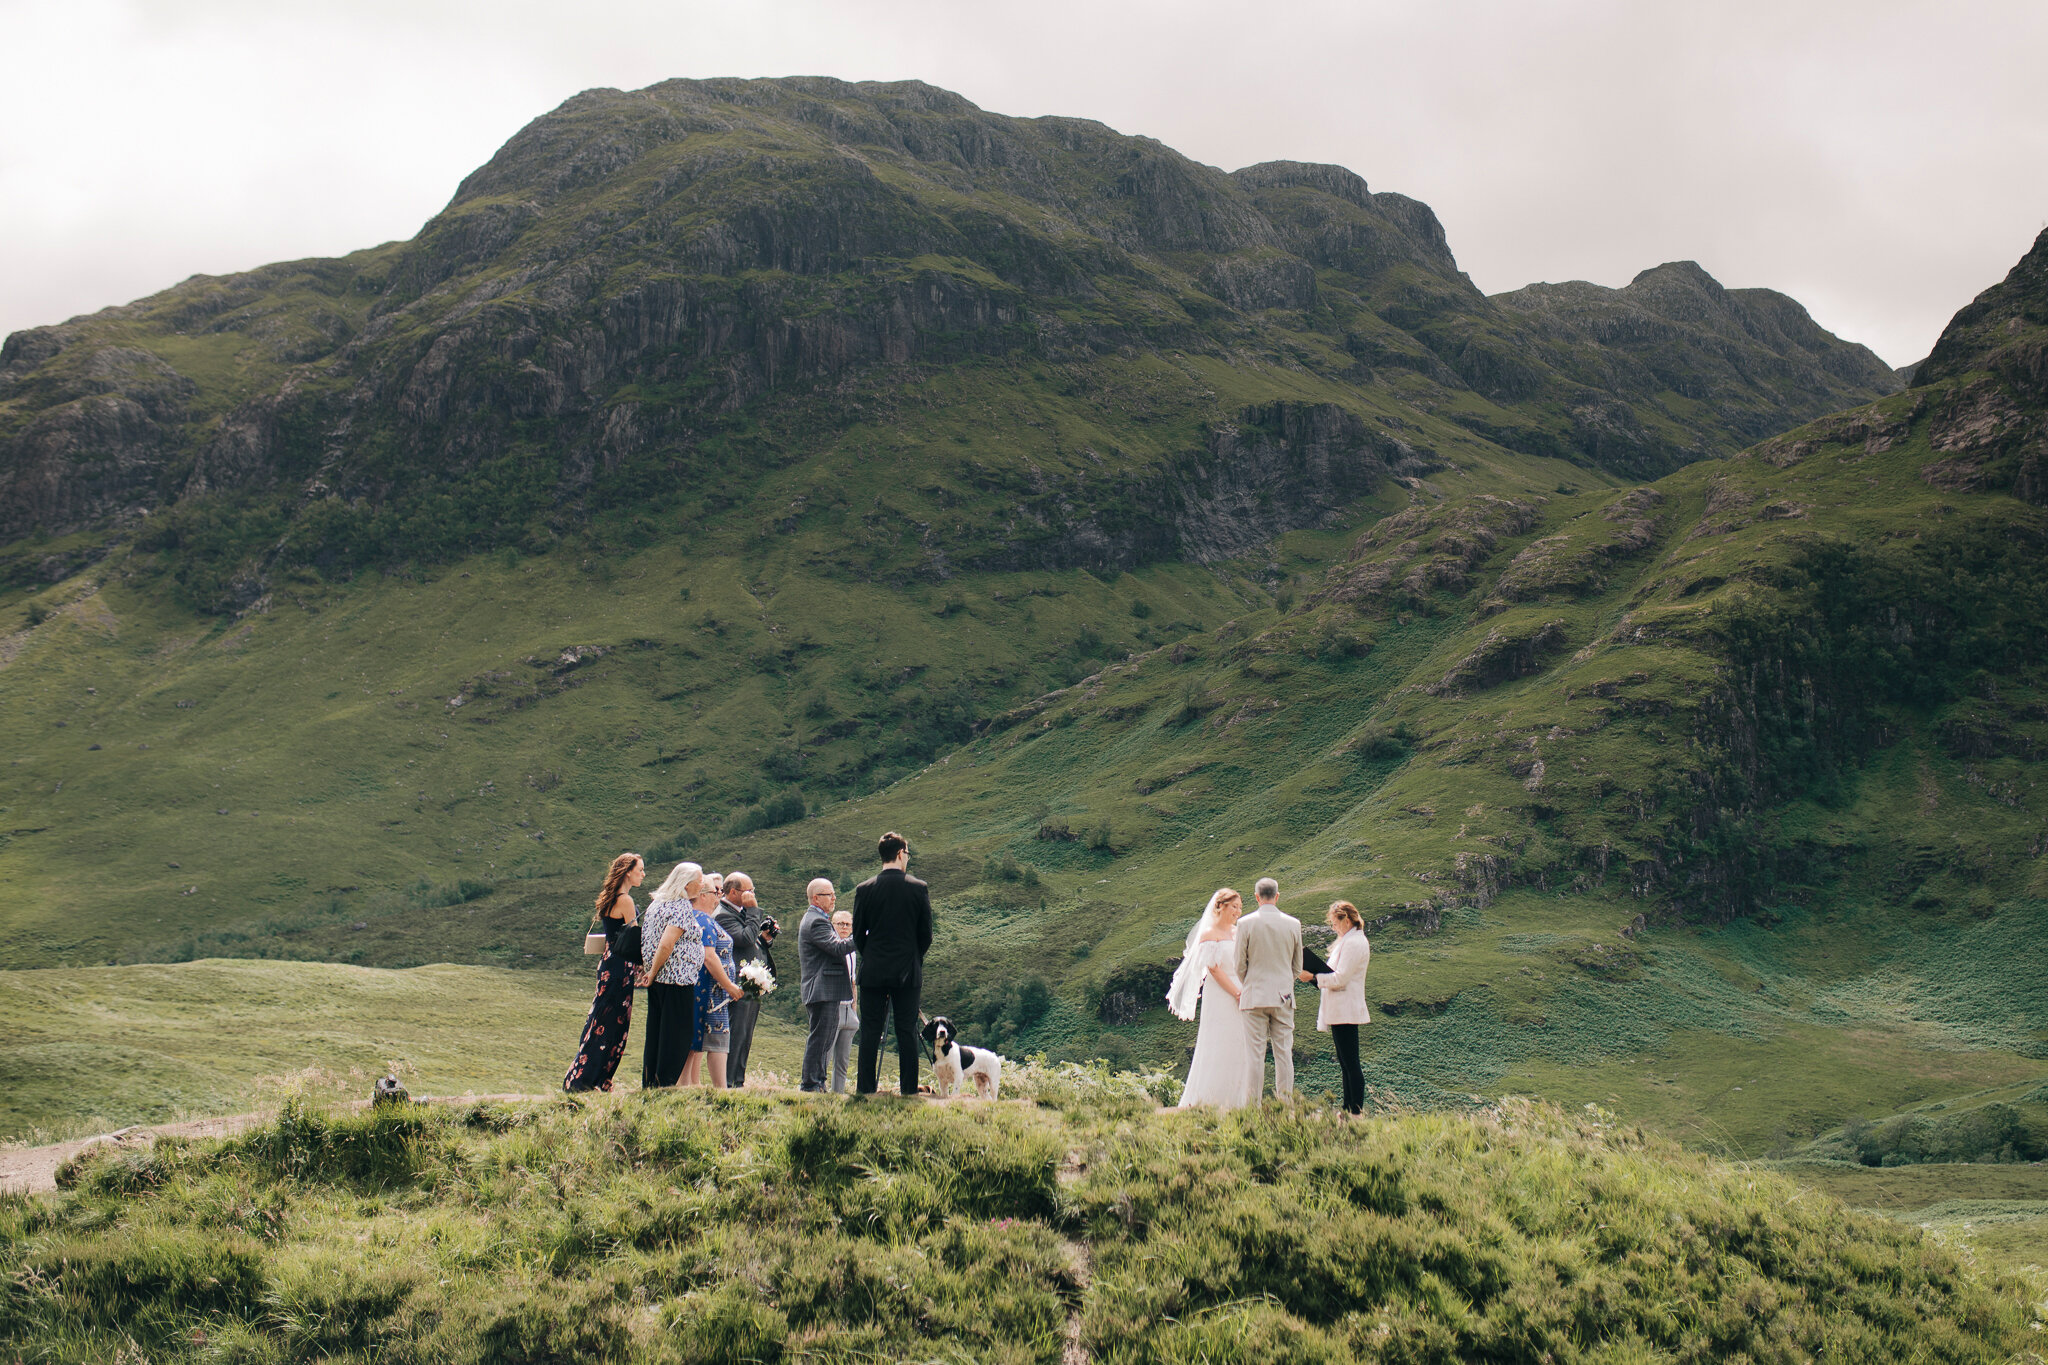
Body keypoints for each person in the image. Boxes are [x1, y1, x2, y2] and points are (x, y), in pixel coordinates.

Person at [851, 831, 933, 1096]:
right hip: (907, 971)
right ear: (900, 854)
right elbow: (926, 935)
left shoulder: (864, 889)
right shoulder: (918, 887)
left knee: (870, 1032)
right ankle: (908, 1090)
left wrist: (871, 956)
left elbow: (857, 934)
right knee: (907, 1030)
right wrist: (913, 958)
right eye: (907, 853)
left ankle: (865, 1090)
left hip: (873, 970)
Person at [564, 852, 645, 1092]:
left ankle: (584, 1076)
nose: (643, 874)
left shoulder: (611, 898)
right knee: (613, 1025)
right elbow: (634, 939)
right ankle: (593, 1079)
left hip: (609, 964)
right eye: (640, 869)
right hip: (621, 967)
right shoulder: (626, 901)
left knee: (600, 1019)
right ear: (628, 871)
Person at [1168, 888, 1253, 1108]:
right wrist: (1236, 992)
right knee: (1218, 1041)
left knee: (1240, 1043)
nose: (1237, 911)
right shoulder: (1208, 934)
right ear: (1220, 906)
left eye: (1240, 907)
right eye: (1234, 906)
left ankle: (1238, 1099)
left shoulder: (1238, 933)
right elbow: (1213, 969)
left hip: (1241, 989)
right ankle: (1209, 1099)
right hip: (1221, 994)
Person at [637, 862, 707, 1088]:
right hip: (677, 979)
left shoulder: (657, 904)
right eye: (699, 880)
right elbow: (667, 944)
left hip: (659, 980)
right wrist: (653, 971)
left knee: (656, 1033)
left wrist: (650, 971)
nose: (702, 884)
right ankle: (665, 1083)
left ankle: (651, 1082)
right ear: (687, 884)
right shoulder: (681, 907)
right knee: (676, 1036)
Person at [1235, 877, 1304, 1102]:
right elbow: (1297, 967)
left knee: (1254, 1056)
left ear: (1256, 897)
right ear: (1277, 896)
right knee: (1284, 1054)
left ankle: (1252, 1109)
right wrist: (1283, 982)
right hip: (1283, 998)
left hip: (1254, 996)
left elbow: (1239, 965)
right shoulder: (1294, 924)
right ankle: (1285, 1107)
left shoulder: (1245, 923)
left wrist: (1251, 982)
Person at [1300, 900, 1371, 1114]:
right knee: (1346, 1062)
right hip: (1341, 1007)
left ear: (1346, 920)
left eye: (1334, 923)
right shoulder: (1348, 941)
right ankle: (1349, 1108)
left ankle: (1355, 1111)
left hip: (1345, 1008)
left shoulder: (1354, 943)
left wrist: (1312, 977)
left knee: (1350, 1063)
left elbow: (1340, 978)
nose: (1333, 928)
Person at [686, 872, 744, 1087]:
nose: (718, 897)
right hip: (712, 991)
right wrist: (729, 985)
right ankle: (718, 1088)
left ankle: (693, 1084)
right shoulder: (702, 920)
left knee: (698, 1044)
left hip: (713, 990)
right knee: (713, 1041)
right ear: (702, 895)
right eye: (715, 892)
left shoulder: (704, 920)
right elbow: (709, 957)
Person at [717, 872, 773, 1087]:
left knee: (746, 1036)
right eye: (749, 891)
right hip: (737, 984)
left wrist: (765, 938)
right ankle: (728, 1082)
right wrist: (753, 911)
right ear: (733, 892)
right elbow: (744, 938)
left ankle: (738, 1080)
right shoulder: (723, 914)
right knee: (737, 1033)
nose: (752, 895)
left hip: (751, 983)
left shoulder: (737, 912)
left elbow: (752, 940)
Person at [796, 878, 851, 1092]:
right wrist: (864, 937)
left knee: (824, 1039)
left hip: (824, 989)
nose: (834, 898)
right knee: (820, 1039)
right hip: (822, 989)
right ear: (816, 898)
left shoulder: (817, 918)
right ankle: (811, 1084)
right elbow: (836, 947)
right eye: (830, 894)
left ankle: (817, 1082)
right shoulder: (816, 921)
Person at [831, 909, 860, 1094]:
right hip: (833, 1007)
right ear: (832, 925)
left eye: (847, 924)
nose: (844, 927)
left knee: (843, 1060)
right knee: (825, 1056)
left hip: (848, 1007)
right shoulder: (831, 946)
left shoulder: (852, 952)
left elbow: (853, 980)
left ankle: (838, 1093)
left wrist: (854, 1007)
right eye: (840, 924)